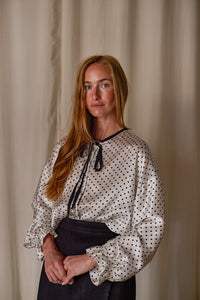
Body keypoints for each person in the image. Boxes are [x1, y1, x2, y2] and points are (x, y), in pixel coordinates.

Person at [24, 55, 165, 300]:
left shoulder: (136, 153)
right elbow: (43, 206)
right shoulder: (65, 148)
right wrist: (49, 250)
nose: (94, 95)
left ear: (119, 89)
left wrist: (92, 259)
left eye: (104, 85)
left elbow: (151, 227)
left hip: (107, 270)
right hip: (57, 268)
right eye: (88, 86)